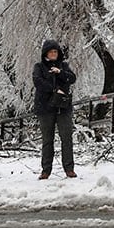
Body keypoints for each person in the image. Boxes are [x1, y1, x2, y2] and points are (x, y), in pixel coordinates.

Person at [32, 39, 77, 179]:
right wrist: (54, 90)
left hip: (63, 107)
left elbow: (72, 78)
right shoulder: (39, 67)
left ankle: (69, 168)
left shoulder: (63, 66)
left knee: (66, 138)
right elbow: (38, 82)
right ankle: (46, 170)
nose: (53, 54)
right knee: (47, 140)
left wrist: (60, 73)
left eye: (56, 51)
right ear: (46, 53)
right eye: (51, 51)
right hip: (45, 108)